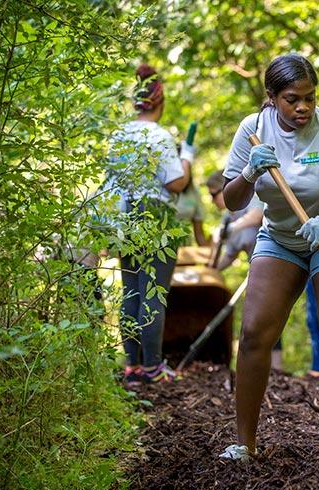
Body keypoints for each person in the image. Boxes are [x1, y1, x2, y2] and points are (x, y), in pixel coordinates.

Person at [219, 54, 319, 461]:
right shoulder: (253, 130)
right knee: (255, 331)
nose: (303, 107)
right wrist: (249, 174)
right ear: (271, 97)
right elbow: (230, 198)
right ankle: (245, 445)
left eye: (309, 97)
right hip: (281, 237)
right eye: (293, 99)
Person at [104, 63, 196, 385]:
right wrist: (188, 156)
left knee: (131, 291)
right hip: (156, 216)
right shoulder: (158, 136)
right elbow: (176, 183)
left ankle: (133, 366)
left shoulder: (118, 136)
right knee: (153, 293)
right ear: (160, 101)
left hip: (124, 216)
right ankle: (154, 367)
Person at [205, 171, 285, 369]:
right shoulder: (228, 218)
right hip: (258, 273)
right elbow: (228, 257)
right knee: (257, 317)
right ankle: (261, 368)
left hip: (276, 262)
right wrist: (208, 270)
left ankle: (277, 368)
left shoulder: (250, 197)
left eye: (214, 194)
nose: (212, 200)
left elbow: (257, 216)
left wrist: (232, 229)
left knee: (271, 314)